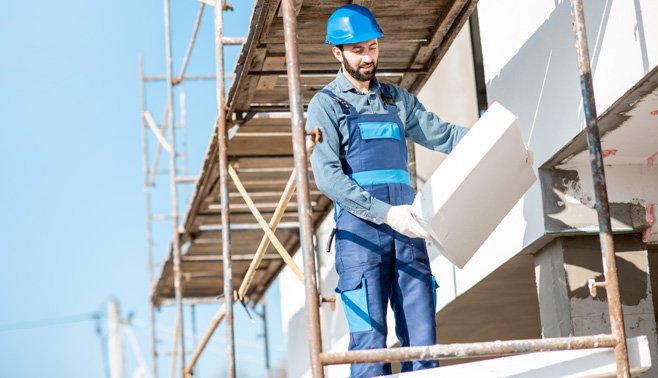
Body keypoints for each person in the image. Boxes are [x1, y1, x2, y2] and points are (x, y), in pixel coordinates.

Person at [305, 4, 469, 377]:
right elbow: (328, 179)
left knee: (423, 343)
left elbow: (442, 135)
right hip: (361, 240)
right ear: (338, 52)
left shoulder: (396, 99)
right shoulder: (326, 106)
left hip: (408, 233)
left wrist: (494, 132)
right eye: (358, 50)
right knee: (369, 347)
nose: (368, 57)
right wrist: (385, 213)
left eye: (373, 47)